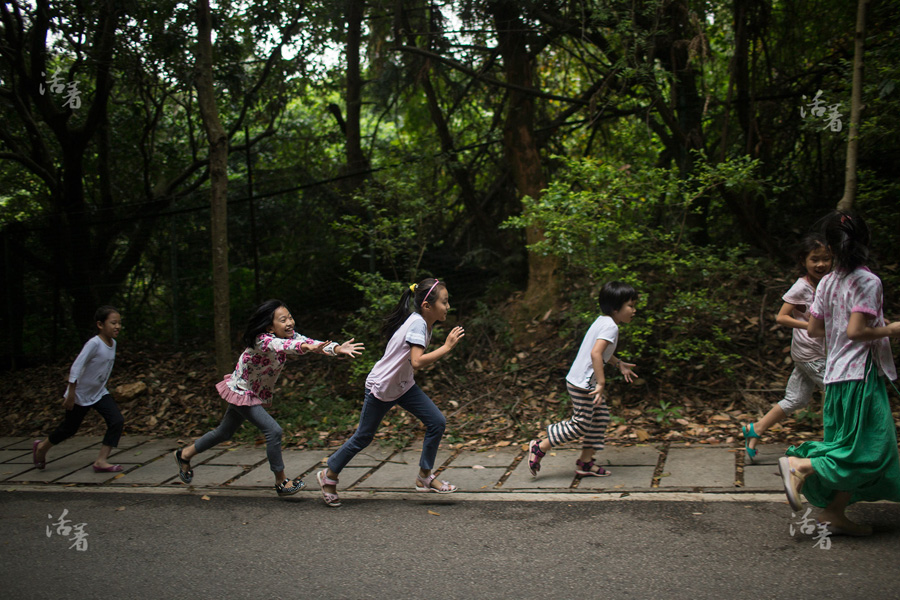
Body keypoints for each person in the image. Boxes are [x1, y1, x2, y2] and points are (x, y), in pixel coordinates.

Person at [778, 211, 900, 536]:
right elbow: (857, 331)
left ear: (831, 246)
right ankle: (801, 465)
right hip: (860, 376)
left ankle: (834, 512)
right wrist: (892, 328)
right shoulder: (867, 280)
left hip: (835, 376)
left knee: (847, 446)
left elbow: (816, 329)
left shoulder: (828, 281)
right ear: (865, 242)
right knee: (874, 450)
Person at [174, 300, 363, 496]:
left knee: (224, 433)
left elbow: (311, 342)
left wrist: (337, 349)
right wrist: (306, 347)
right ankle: (281, 482)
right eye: (283, 320)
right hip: (241, 391)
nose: (290, 322)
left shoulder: (291, 337)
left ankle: (184, 454)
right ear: (269, 327)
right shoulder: (262, 340)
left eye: (290, 317)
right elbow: (285, 346)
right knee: (274, 431)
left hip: (251, 392)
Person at [317, 278, 464, 507]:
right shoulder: (418, 324)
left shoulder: (422, 322)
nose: (447, 307)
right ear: (427, 306)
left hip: (403, 386)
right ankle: (329, 475)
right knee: (363, 437)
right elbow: (416, 361)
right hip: (382, 387)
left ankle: (424, 477)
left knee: (436, 422)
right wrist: (446, 347)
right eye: (444, 302)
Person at [526, 281, 638, 478]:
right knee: (580, 424)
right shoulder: (611, 327)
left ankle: (586, 462)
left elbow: (601, 352)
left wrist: (618, 363)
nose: (634, 310)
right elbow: (596, 354)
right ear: (615, 307)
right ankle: (540, 446)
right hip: (584, 384)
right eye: (630, 305)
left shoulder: (604, 321)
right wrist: (601, 384)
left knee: (600, 418)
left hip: (581, 381)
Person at [743, 235, 832, 463]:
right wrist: (809, 326)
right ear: (804, 261)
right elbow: (781, 317)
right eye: (815, 259)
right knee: (837, 392)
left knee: (796, 399)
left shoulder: (829, 283)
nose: (820, 264)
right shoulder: (801, 286)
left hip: (819, 351)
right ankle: (837, 446)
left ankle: (756, 429)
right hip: (811, 352)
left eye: (826, 259)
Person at [33, 306, 126, 473]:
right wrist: (71, 393)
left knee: (117, 421)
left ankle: (101, 461)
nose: (117, 326)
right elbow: (77, 366)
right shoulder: (94, 343)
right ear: (100, 324)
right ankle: (41, 447)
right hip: (80, 394)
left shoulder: (114, 343)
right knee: (69, 428)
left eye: (119, 323)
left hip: (99, 393)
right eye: (113, 323)